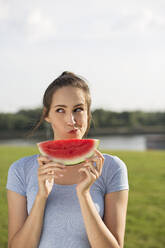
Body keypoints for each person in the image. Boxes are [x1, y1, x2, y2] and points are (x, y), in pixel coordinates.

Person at [6, 71, 129, 248]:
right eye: (60, 110)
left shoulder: (111, 168)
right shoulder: (20, 170)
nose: (71, 120)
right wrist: (41, 197)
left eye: (78, 109)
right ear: (47, 115)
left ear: (88, 113)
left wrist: (84, 194)